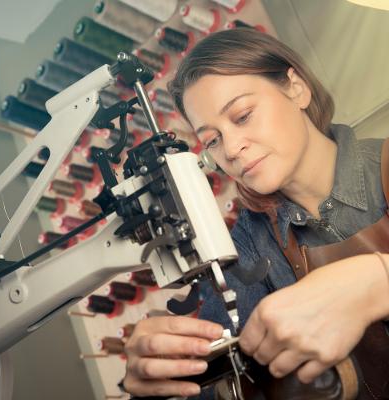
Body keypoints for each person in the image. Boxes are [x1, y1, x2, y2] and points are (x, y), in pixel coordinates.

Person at [122, 28, 389, 399]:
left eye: (243, 115)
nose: (231, 148)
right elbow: (221, 382)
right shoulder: (249, 247)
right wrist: (163, 381)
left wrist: (377, 278)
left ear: (296, 88)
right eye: (211, 140)